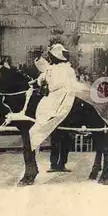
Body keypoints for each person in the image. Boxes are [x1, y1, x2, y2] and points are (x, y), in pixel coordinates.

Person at [29, 43, 77, 173]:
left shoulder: (67, 69)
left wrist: (47, 84)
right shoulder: (51, 68)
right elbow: (41, 77)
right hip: (52, 101)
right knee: (56, 136)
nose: (50, 59)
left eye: (52, 56)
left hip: (65, 100)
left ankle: (62, 163)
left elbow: (68, 85)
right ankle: (54, 164)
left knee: (65, 136)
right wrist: (38, 82)